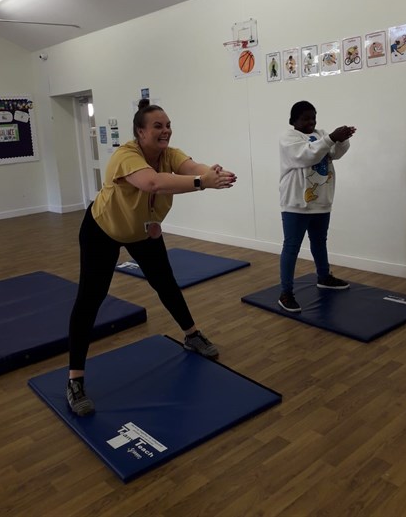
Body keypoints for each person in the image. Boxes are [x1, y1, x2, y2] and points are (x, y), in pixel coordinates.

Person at [67, 100, 237, 415]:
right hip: (102, 230)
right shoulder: (125, 155)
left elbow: (191, 167)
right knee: (91, 298)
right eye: (157, 126)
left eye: (168, 125)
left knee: (166, 283)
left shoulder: (168, 154)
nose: (166, 131)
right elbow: (152, 183)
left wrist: (212, 173)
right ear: (140, 132)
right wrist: (203, 183)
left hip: (144, 232)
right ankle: (75, 379)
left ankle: (191, 335)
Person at [278, 100, 356, 313]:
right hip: (296, 204)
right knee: (292, 247)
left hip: (320, 202)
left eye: (313, 117)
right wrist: (331, 138)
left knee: (320, 242)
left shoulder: (321, 134)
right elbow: (307, 155)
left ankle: (324, 277)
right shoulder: (289, 138)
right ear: (293, 121)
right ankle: (286, 292)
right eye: (305, 118)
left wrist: (342, 140)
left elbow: (335, 153)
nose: (311, 122)